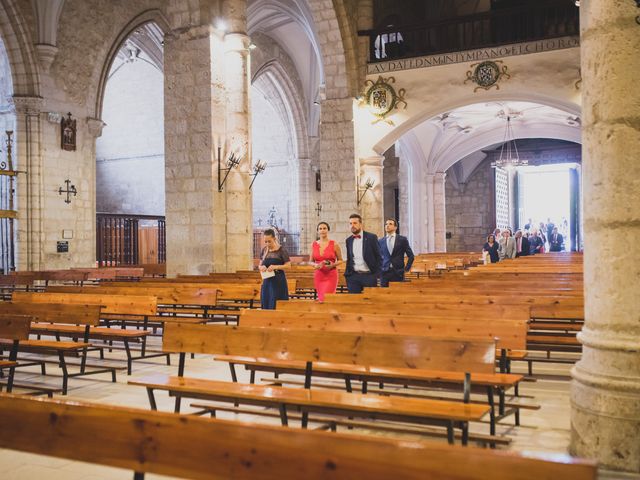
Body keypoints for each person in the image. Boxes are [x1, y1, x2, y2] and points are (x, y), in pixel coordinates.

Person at [344, 213, 382, 294]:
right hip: (353, 276)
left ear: (360, 224)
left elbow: (379, 257)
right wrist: (348, 276)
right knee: (354, 302)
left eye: (355, 223)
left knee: (370, 302)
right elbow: (349, 258)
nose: (352, 225)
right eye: (350, 223)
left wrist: (376, 275)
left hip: (369, 276)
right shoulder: (348, 240)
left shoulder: (371, 237)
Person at [310, 221, 343, 302]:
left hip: (331, 274)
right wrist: (315, 265)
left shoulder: (334, 244)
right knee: (321, 299)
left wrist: (332, 265)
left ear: (328, 230)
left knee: (328, 298)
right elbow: (310, 261)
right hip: (319, 275)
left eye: (324, 228)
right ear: (318, 231)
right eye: (320, 229)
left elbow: (340, 260)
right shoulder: (313, 245)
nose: (322, 230)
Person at [258, 229, 291, 309]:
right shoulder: (264, 250)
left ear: (274, 239)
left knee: (277, 304)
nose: (267, 244)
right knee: (266, 303)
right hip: (267, 281)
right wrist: (261, 267)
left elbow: (288, 265)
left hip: (278, 282)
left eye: (269, 241)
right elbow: (259, 265)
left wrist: (275, 267)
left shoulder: (281, 250)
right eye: (265, 241)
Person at [379, 218, 415, 287]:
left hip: (398, 272)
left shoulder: (402, 239)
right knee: (383, 295)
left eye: (390, 224)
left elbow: (411, 256)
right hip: (384, 273)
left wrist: (406, 269)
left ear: (395, 227)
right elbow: (378, 257)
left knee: (397, 295)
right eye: (386, 224)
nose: (387, 226)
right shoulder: (381, 241)